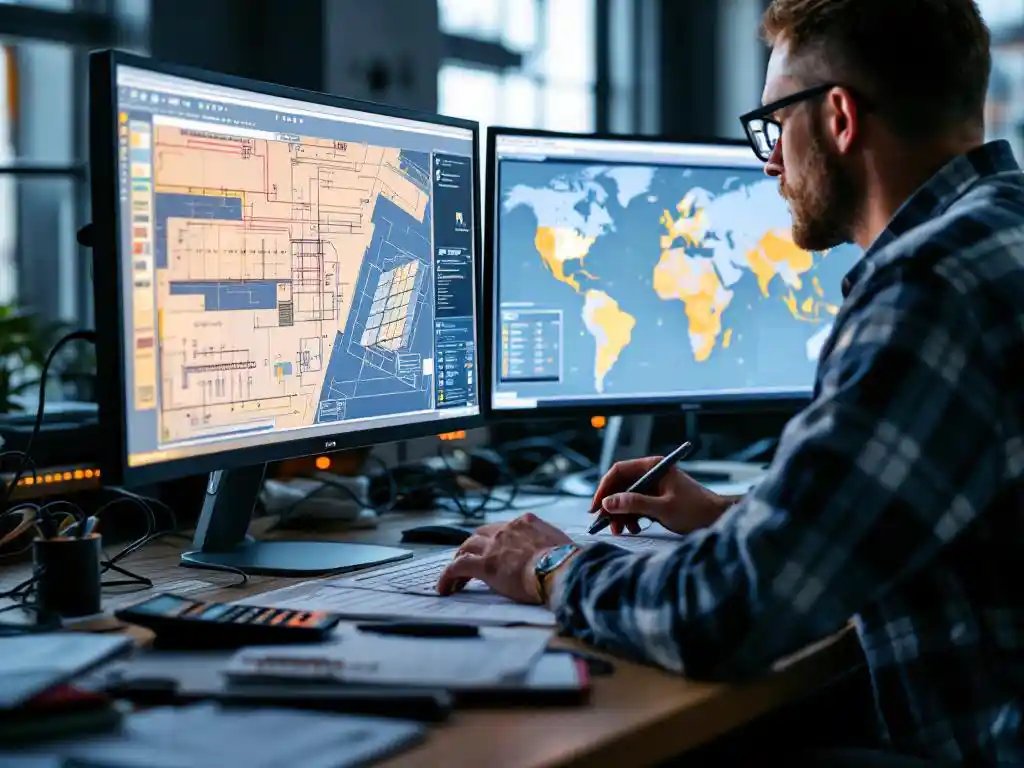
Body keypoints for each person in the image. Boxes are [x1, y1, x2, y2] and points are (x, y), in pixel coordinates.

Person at [438, 0, 1024, 763]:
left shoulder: (930, 288)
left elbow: (725, 615)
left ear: (840, 118)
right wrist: (729, 515)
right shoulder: (999, 235)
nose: (771, 159)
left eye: (776, 123)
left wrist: (551, 564)